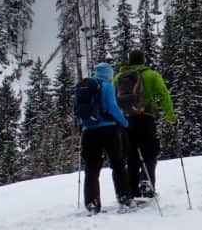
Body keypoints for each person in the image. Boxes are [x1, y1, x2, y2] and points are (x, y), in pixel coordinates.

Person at [114, 49, 176, 198]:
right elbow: (163, 94)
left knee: (131, 154)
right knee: (150, 152)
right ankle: (146, 183)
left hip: (126, 120)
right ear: (143, 60)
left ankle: (132, 190)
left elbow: (112, 99)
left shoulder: (118, 77)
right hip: (146, 117)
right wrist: (171, 116)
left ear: (129, 61)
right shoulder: (151, 75)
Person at [75, 62, 132, 214]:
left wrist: (83, 127)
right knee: (118, 164)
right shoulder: (106, 86)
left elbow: (77, 112)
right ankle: (124, 199)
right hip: (108, 130)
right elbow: (112, 107)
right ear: (108, 73)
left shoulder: (84, 87)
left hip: (88, 131)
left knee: (92, 168)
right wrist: (125, 122)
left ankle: (92, 204)